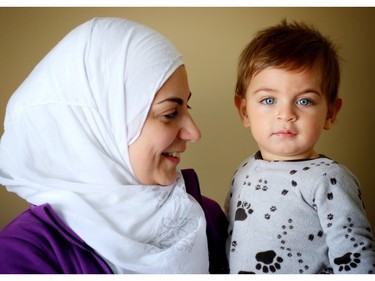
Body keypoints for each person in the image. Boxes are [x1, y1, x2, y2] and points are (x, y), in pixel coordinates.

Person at [0, 17, 228, 274]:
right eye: (169, 113)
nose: (194, 132)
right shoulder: (21, 256)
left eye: (188, 107)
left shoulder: (206, 218)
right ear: (100, 125)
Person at [225, 19, 375, 274]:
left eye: (304, 101)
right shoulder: (244, 170)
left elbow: (357, 257)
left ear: (330, 113)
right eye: (269, 100)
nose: (286, 114)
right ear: (244, 111)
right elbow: (230, 240)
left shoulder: (330, 179)